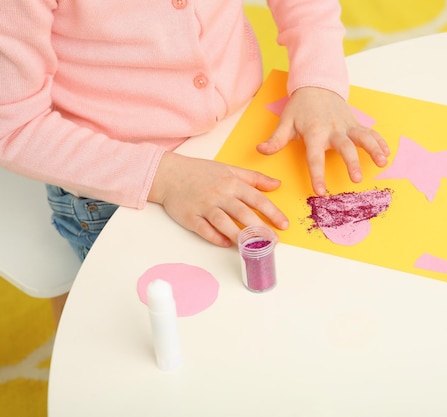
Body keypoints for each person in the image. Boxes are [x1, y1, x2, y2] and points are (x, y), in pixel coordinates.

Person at [1, 1, 389, 321]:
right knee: (149, 333)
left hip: (242, 136)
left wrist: (317, 81)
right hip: (117, 181)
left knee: (284, 305)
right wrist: (166, 177)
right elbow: (12, 124)